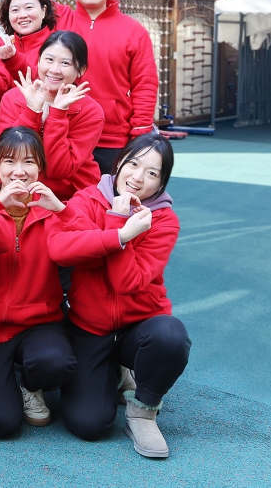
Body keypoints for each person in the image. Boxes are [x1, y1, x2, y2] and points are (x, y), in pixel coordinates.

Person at [49, 134, 190, 458]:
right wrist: (120, 233)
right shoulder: (87, 199)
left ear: (161, 183)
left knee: (171, 336)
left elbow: (128, 282)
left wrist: (114, 226)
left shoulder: (164, 220)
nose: (138, 177)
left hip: (138, 325)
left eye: (152, 173)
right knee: (89, 423)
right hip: (89, 326)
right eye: (133, 164)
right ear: (119, 163)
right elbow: (59, 249)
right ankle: (115, 372)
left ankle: (143, 411)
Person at [0, 0, 159, 173]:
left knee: (111, 197)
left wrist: (140, 133)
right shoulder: (60, 18)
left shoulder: (134, 31)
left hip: (113, 139)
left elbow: (145, 84)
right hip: (63, 129)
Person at [0, 127, 77, 438]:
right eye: (10, 161)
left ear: (41, 168)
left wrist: (63, 211)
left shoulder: (52, 208)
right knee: (1, 424)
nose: (19, 171)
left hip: (39, 324)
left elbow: (87, 246)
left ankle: (30, 385)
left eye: (29, 162)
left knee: (56, 362)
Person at [0, 31, 104, 201]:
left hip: (71, 195)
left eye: (65, 63)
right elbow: (8, 154)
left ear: (81, 70)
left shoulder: (91, 111)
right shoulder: (12, 98)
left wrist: (58, 114)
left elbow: (58, 170)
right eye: (49, 59)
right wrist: (32, 111)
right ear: (38, 60)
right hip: (20, 191)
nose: (54, 70)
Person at [0, 0, 58, 79]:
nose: (22, 15)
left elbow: (44, 80)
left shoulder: (57, 47)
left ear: (43, 10)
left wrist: (13, 59)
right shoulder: (6, 49)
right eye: (15, 10)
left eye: (29, 7)